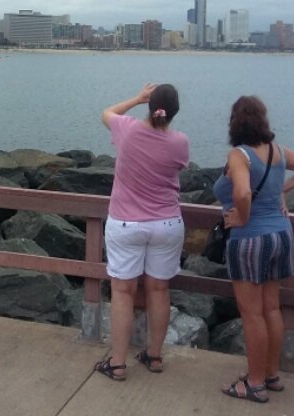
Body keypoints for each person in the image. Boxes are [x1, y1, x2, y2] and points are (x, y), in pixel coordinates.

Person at [214, 96, 294, 403]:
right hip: (281, 236)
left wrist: (242, 217)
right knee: (272, 308)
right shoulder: (278, 152)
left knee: (251, 314)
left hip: (250, 240)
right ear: (263, 120)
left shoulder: (240, 155)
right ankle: (271, 375)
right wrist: (280, 190)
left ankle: (255, 383)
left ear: (234, 123)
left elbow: (243, 192)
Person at [94, 83, 190, 381]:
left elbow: (106, 113)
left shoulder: (127, 129)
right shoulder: (180, 142)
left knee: (123, 292)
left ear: (151, 106)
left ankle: (118, 363)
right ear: (174, 112)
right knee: (159, 290)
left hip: (126, 223)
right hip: (167, 224)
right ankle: (155, 355)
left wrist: (137, 98)